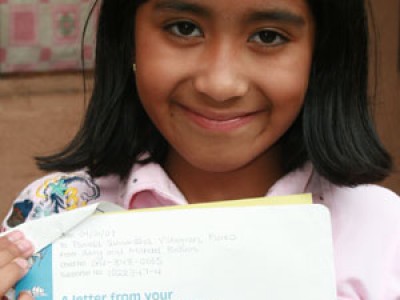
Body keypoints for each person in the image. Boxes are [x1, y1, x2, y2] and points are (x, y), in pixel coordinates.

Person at [1, 0, 399, 298]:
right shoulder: (53, 213)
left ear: (321, 56)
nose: (220, 84)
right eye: (184, 28)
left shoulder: (384, 234)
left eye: (268, 36)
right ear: (128, 40)